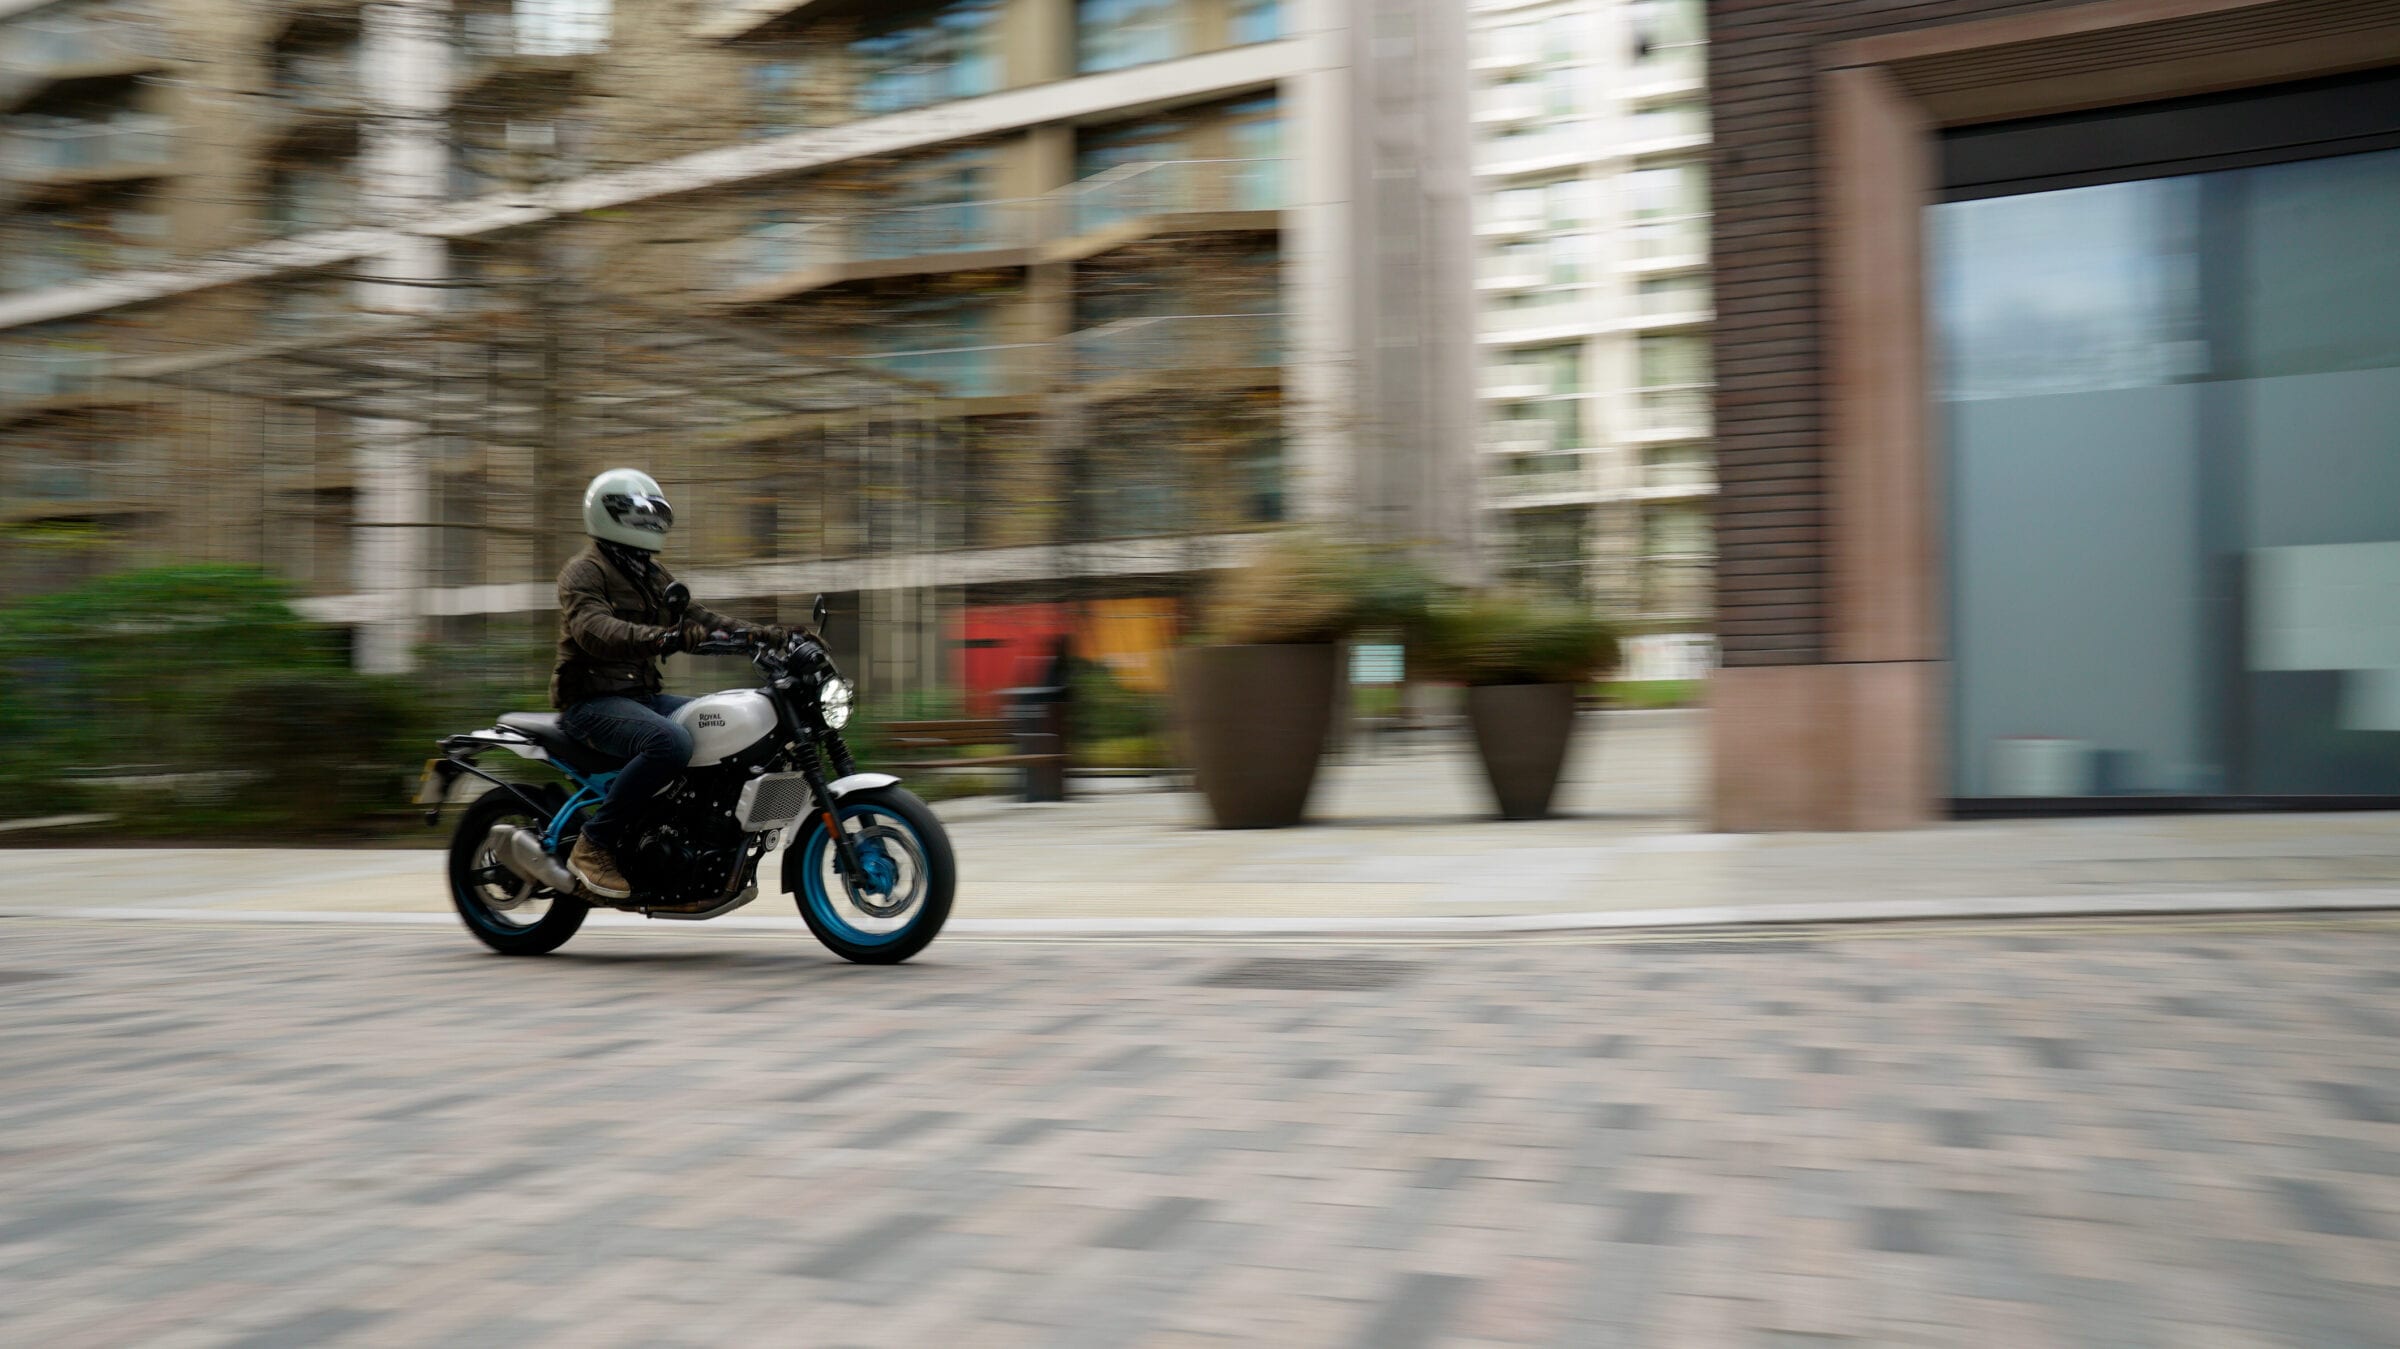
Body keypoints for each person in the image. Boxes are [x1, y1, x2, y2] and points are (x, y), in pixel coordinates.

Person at [550, 468, 785, 901]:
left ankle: (687, 833)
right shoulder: (584, 571)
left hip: (639, 698)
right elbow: (594, 629)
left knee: (718, 726)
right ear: (609, 515)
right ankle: (593, 845)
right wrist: (662, 637)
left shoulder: (649, 573)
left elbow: (701, 621)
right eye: (640, 515)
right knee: (671, 742)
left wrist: (768, 635)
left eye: (655, 516)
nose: (650, 524)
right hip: (590, 703)